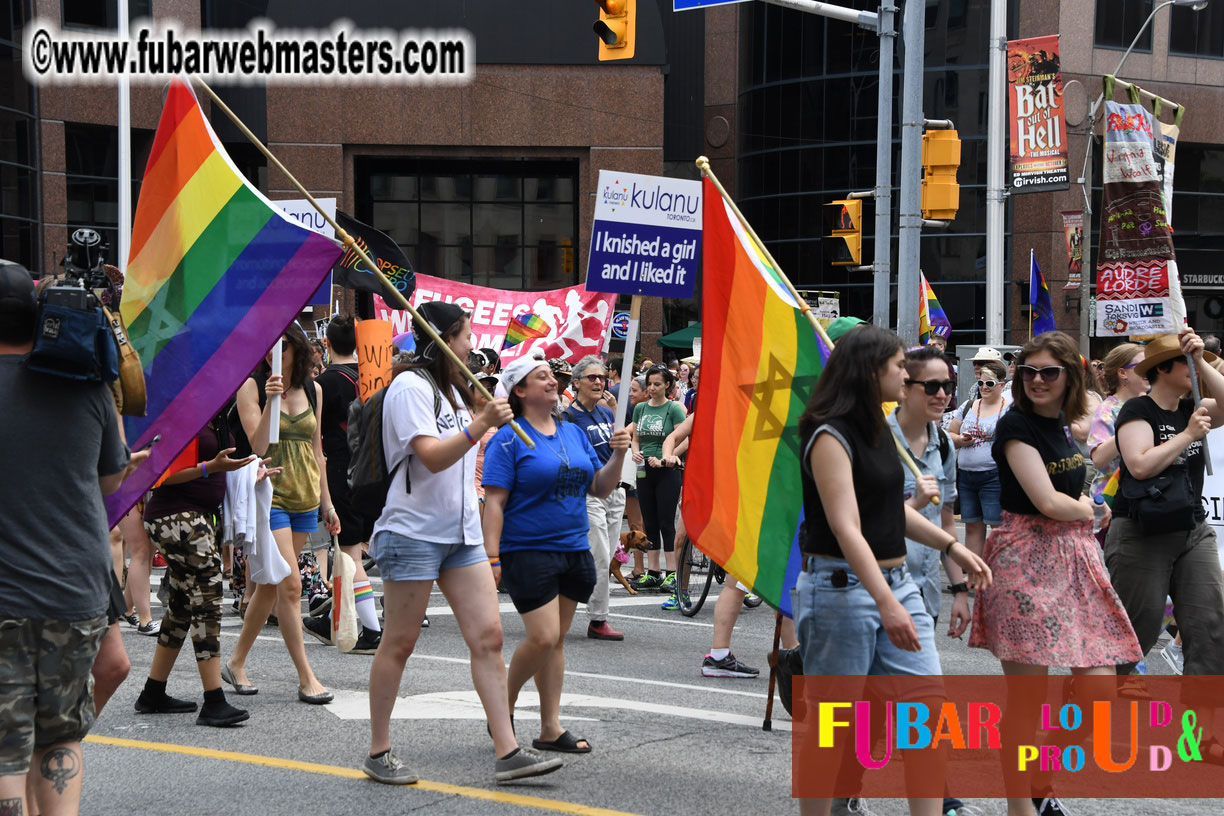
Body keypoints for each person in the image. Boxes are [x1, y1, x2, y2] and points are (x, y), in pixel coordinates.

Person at [795, 325, 991, 816]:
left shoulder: (880, 431)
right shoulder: (829, 434)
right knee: (833, 731)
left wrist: (952, 546)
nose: (907, 375)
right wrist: (885, 602)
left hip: (898, 584)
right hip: (841, 590)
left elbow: (890, 510)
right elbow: (846, 527)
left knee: (926, 719)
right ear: (871, 371)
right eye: (900, 367)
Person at [363, 302, 560, 784]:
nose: (473, 345)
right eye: (466, 335)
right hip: (412, 531)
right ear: (444, 337)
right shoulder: (410, 387)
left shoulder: (452, 390)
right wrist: (480, 423)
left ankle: (508, 751)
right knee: (401, 642)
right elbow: (429, 457)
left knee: (489, 638)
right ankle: (378, 750)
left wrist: (480, 410)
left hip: (462, 534)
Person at [968, 331, 1141, 816]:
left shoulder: (1065, 424)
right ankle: (1020, 807)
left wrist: (1089, 506)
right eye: (1029, 372)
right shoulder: (1015, 425)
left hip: (1076, 557)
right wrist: (1086, 508)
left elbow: (1077, 481)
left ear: (1070, 376)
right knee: (1026, 701)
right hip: (1025, 559)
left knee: (1100, 691)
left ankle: (1039, 774)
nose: (1038, 380)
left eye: (1049, 372)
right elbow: (1045, 501)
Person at [0, 265, 144, 816]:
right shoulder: (84, 384)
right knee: (61, 738)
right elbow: (109, 481)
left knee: (6, 754)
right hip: (75, 589)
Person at [483, 349, 632, 756]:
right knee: (543, 636)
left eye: (554, 376)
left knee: (557, 641)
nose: (554, 381)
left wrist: (618, 454)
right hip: (527, 550)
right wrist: (492, 558)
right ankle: (503, 709)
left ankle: (550, 727)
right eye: (543, 376)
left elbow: (600, 487)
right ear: (520, 389)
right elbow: (494, 502)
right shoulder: (509, 438)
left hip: (573, 548)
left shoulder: (574, 433)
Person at [1105, 331, 1224, 761]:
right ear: (1164, 370)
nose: (1193, 370)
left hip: (1192, 529)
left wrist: (1201, 356)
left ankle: (1200, 737)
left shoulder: (1195, 407)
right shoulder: (1137, 410)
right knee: (1133, 633)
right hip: (1142, 532)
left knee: (1211, 628)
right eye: (1185, 362)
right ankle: (1085, 697)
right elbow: (1138, 465)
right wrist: (1187, 434)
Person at [224, 323, 339, 704]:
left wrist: (327, 501)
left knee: (272, 585)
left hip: (305, 494)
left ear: (297, 349)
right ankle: (307, 677)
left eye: (284, 346)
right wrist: (272, 399)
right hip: (268, 494)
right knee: (290, 584)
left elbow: (317, 448)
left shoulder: (313, 389)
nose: (276, 353)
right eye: (270, 346)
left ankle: (236, 661)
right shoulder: (251, 387)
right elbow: (256, 443)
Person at [135, 417, 266, 727]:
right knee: (207, 600)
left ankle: (153, 692)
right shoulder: (183, 414)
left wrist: (249, 475)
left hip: (192, 517)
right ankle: (214, 700)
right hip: (176, 518)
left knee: (181, 606)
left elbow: (225, 467)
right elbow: (162, 476)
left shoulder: (217, 417)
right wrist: (211, 468)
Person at [308, 314, 381, 654]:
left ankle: (372, 630)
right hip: (374, 470)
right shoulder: (375, 377)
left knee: (349, 553)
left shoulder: (324, 383)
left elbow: (315, 437)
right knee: (350, 550)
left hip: (341, 469)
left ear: (327, 343)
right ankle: (335, 617)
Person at [563, 355, 626, 641]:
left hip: (614, 492)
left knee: (602, 556)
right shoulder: (568, 417)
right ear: (576, 383)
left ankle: (558, 595)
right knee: (599, 557)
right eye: (592, 377)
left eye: (602, 377)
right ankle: (598, 620)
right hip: (588, 493)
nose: (599, 381)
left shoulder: (607, 414)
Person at [630, 364, 687, 599]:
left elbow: (684, 439)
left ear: (667, 386)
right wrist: (635, 452)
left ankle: (672, 571)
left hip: (667, 471)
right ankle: (653, 572)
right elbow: (635, 437)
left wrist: (668, 459)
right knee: (649, 521)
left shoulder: (673, 409)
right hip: (644, 470)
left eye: (657, 384)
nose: (652, 388)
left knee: (666, 521)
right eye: (649, 384)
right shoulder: (640, 408)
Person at [946, 357, 1009, 557]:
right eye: (981, 383)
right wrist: (960, 439)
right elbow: (949, 435)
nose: (984, 387)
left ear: (1001, 384)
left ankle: (998, 574)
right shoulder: (968, 405)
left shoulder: (1009, 409)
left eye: (989, 383)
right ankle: (974, 574)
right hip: (966, 475)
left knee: (997, 526)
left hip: (994, 475)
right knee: (972, 525)